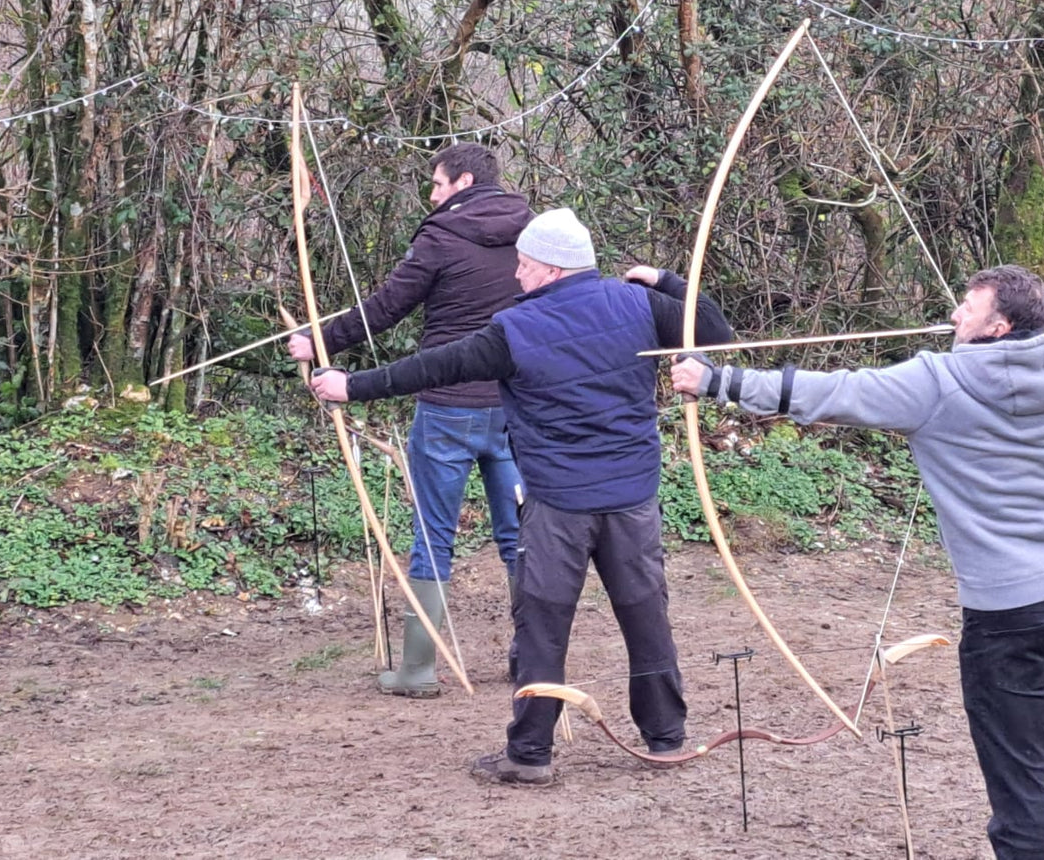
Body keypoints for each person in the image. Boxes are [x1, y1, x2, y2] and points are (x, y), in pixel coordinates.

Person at [672, 266, 1044, 860]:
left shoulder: (935, 382)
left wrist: (717, 381)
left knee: (1021, 788)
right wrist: (1036, 311)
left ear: (999, 327)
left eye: (969, 308)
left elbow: (827, 394)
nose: (954, 315)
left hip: (1005, 614)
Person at [309, 207, 734, 786]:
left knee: (543, 624)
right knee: (644, 613)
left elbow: (435, 366)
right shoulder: (637, 304)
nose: (518, 277)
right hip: (632, 496)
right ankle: (666, 738)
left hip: (558, 505)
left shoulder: (516, 330)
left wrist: (350, 385)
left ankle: (530, 753)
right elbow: (714, 327)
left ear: (554, 270)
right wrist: (665, 279)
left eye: (527, 267)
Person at [289, 142, 532, 698]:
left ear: (464, 181)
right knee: (521, 535)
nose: (431, 194)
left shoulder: (442, 235)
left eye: (437, 184)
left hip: (449, 407)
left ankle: (419, 671)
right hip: (517, 403)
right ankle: (532, 656)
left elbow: (385, 308)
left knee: (433, 536)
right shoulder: (532, 229)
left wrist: (319, 340)